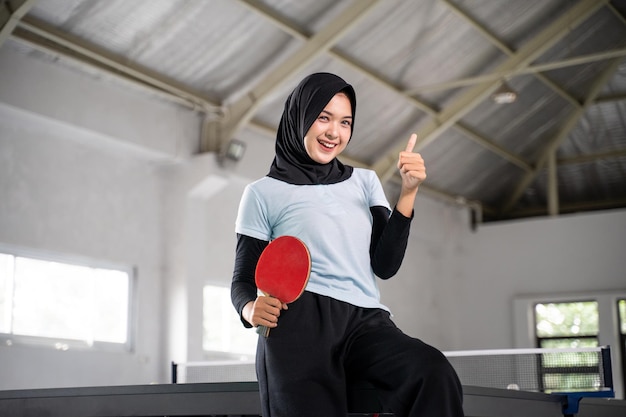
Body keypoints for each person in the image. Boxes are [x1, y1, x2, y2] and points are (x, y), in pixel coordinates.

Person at [231, 72, 464, 417]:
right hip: (297, 329)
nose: (334, 133)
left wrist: (409, 191)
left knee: (432, 372)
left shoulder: (365, 182)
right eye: (323, 118)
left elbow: (385, 264)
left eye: (345, 122)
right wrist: (249, 310)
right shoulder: (262, 193)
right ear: (300, 117)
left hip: (364, 324)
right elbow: (242, 280)